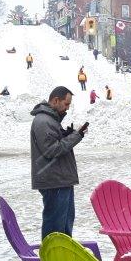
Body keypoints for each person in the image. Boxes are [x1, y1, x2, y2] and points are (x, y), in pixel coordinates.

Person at [30, 86, 88, 238]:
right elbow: (51, 150)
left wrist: (66, 134)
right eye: (66, 104)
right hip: (54, 181)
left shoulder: (50, 120)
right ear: (56, 100)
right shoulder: (43, 121)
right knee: (56, 227)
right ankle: (52, 259)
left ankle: (61, 256)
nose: (67, 108)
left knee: (64, 224)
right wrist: (76, 136)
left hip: (60, 180)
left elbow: (54, 142)